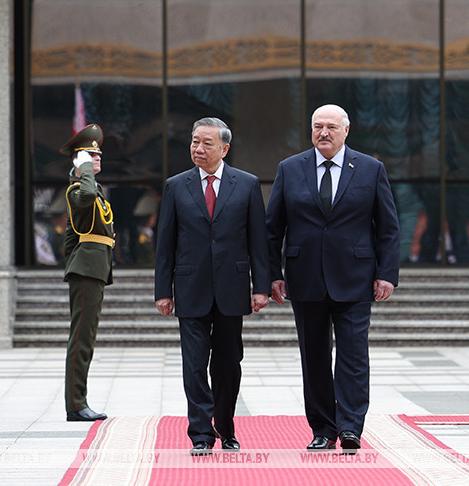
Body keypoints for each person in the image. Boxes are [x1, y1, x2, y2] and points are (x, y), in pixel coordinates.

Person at [266, 104, 399, 454]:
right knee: (314, 358)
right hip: (304, 277)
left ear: (346, 130)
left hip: (355, 278)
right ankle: (323, 429)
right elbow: (272, 229)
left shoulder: (370, 169)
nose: (323, 133)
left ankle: (351, 427)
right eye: (317, 126)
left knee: (353, 357)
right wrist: (271, 276)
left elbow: (388, 227)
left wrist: (387, 274)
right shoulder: (290, 168)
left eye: (331, 127)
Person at [154, 117, 270, 455]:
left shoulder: (247, 184)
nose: (199, 148)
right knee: (194, 364)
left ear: (224, 148)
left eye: (207, 143)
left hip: (232, 288)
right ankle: (201, 433)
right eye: (195, 141)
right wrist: (163, 291)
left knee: (228, 364)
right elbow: (165, 243)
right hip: (190, 287)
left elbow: (258, 241)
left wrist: (261, 286)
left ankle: (226, 427)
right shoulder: (176, 186)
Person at [61, 124, 113, 422]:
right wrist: (84, 172)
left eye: (98, 155)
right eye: (90, 155)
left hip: (92, 268)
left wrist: (73, 262)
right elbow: (87, 195)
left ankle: (78, 401)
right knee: (80, 338)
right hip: (87, 270)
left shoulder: (95, 191)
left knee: (87, 337)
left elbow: (71, 236)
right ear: (78, 161)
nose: (97, 159)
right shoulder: (77, 190)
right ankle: (76, 404)